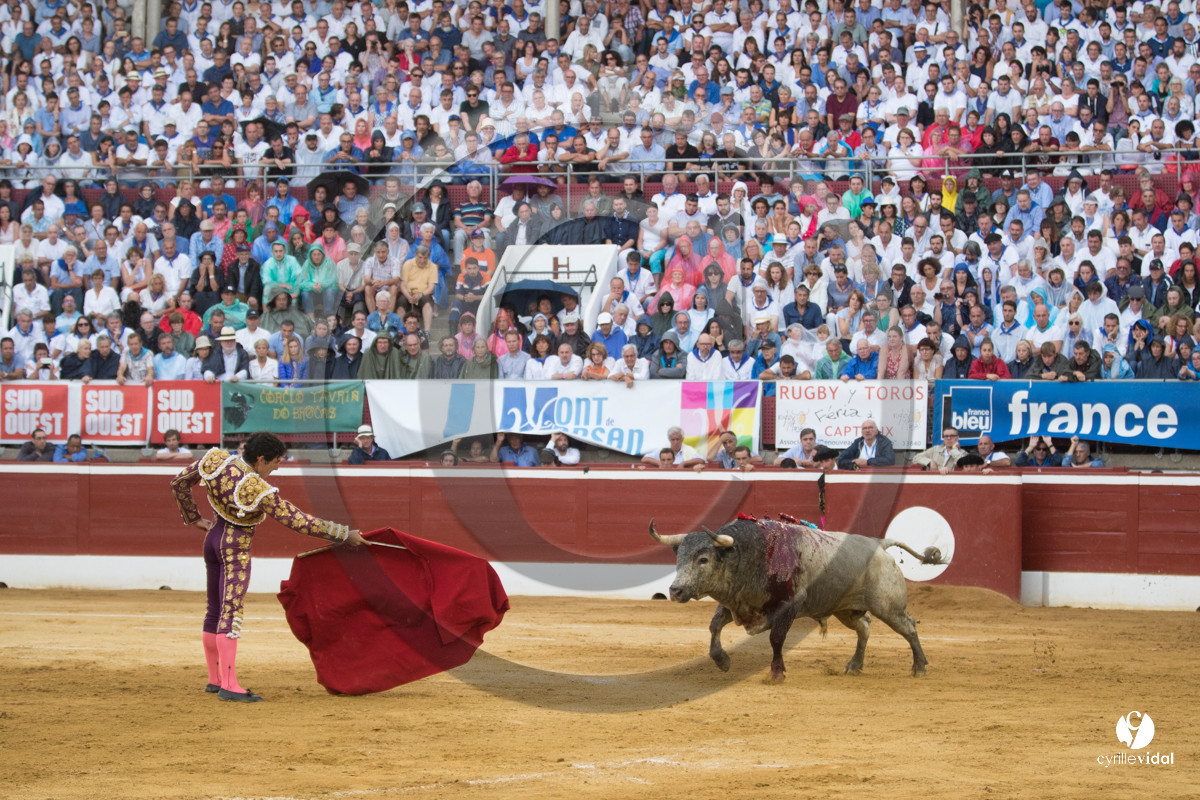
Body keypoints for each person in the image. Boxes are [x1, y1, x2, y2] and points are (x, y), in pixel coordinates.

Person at [171, 432, 365, 702]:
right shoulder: (255, 488)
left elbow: (179, 482)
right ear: (261, 459)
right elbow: (300, 522)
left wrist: (194, 519)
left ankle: (215, 679)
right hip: (234, 547)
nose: (277, 468)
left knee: (214, 610)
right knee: (230, 612)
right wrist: (344, 534)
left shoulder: (216, 459)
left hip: (212, 540)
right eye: (275, 462)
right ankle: (229, 685)